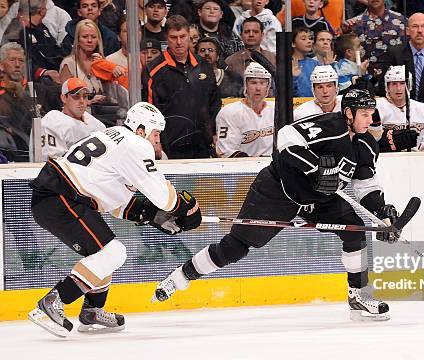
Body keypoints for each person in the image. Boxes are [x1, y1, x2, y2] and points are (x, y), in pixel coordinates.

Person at [153, 89, 403, 321]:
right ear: (348, 113)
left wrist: (381, 214)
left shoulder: (367, 145)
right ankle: (181, 277)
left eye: (371, 114)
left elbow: (365, 185)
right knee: (235, 247)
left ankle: (357, 296)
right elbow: (286, 137)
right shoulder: (329, 126)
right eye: (365, 114)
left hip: (319, 199)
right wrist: (316, 168)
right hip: (278, 189)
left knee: (356, 232)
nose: (370, 120)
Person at [27, 101, 202, 337]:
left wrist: (152, 216)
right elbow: (164, 197)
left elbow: (115, 201)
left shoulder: (113, 139)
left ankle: (92, 311)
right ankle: (53, 301)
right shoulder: (136, 145)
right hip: (61, 197)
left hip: (57, 196)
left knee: (102, 252)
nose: (158, 140)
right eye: (156, 133)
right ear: (141, 130)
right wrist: (186, 207)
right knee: (113, 252)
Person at [144, 15, 221, 159]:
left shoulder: (203, 65)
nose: (179, 42)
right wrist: (154, 141)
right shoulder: (153, 70)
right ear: (166, 38)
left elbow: (214, 103)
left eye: (183, 36)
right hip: (170, 146)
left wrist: (214, 133)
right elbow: (149, 110)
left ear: (190, 37)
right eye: (173, 37)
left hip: (202, 145)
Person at [380, 13, 424, 103]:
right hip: (400, 108)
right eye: (415, 26)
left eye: (423, 26)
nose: (420, 30)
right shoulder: (394, 53)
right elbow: (384, 86)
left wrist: (421, 108)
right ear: (407, 31)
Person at [376, 66, 424, 152]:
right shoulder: (377, 107)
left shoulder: (423, 109)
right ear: (387, 87)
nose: (398, 88)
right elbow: (373, 139)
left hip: (417, 160)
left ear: (409, 85)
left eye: (402, 83)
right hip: (388, 158)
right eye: (394, 84)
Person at [37, 77, 105, 161]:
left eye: (85, 96)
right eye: (76, 96)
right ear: (64, 98)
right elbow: (51, 162)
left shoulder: (94, 122)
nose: (82, 101)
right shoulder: (52, 121)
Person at [215, 62, 273, 157]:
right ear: (246, 84)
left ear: (268, 86)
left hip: (272, 167)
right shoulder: (229, 112)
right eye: (253, 83)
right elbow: (227, 151)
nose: (258, 88)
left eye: (262, 83)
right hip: (242, 167)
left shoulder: (276, 110)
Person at [292, 27, 320, 97]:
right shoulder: (285, 64)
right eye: (303, 39)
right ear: (293, 43)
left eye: (310, 38)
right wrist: (294, 77)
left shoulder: (315, 64)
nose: (309, 41)